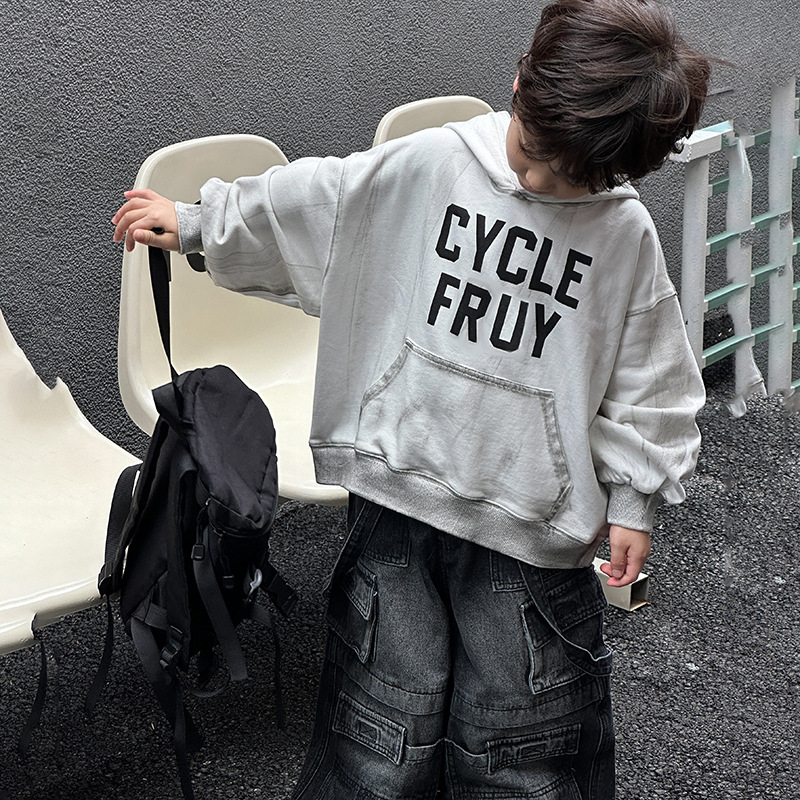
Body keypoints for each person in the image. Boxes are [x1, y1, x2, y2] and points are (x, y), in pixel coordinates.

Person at [111, 1, 710, 796]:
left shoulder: (622, 233)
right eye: (534, 152)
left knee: (521, 749)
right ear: (521, 83)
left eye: (574, 176)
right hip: (396, 498)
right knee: (380, 733)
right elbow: (321, 200)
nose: (539, 181)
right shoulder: (435, 162)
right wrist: (197, 220)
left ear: (621, 166)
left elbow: (650, 374)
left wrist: (635, 500)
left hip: (530, 530)